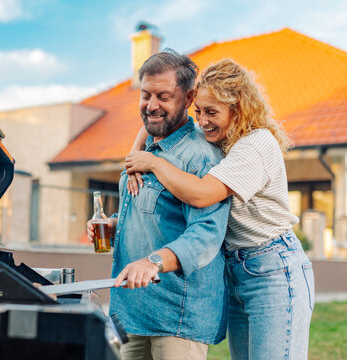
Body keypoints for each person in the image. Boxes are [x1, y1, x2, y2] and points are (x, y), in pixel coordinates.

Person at [124, 59, 314, 360]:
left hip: (272, 269)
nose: (202, 120)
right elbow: (153, 128)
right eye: (198, 110)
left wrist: (153, 163)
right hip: (233, 271)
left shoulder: (255, 145)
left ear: (237, 110)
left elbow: (202, 195)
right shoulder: (218, 139)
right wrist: (136, 153)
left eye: (211, 112)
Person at [87, 49, 231, 360]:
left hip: (176, 315)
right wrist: (116, 225)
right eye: (146, 95)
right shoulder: (147, 150)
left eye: (163, 96)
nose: (152, 106)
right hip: (132, 309)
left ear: (188, 97)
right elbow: (154, 214)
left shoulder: (200, 156)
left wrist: (151, 261)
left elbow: (205, 235)